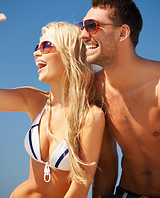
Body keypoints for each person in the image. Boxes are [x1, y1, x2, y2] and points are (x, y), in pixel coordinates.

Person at [0, 15, 105, 198]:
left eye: (46, 46)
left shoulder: (90, 117)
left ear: (68, 53)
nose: (36, 53)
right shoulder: (33, 100)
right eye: (36, 47)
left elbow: (80, 187)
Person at [79, 0, 160, 198]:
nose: (82, 34)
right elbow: (106, 163)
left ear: (122, 33)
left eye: (91, 26)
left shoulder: (157, 85)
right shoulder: (95, 89)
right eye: (82, 26)